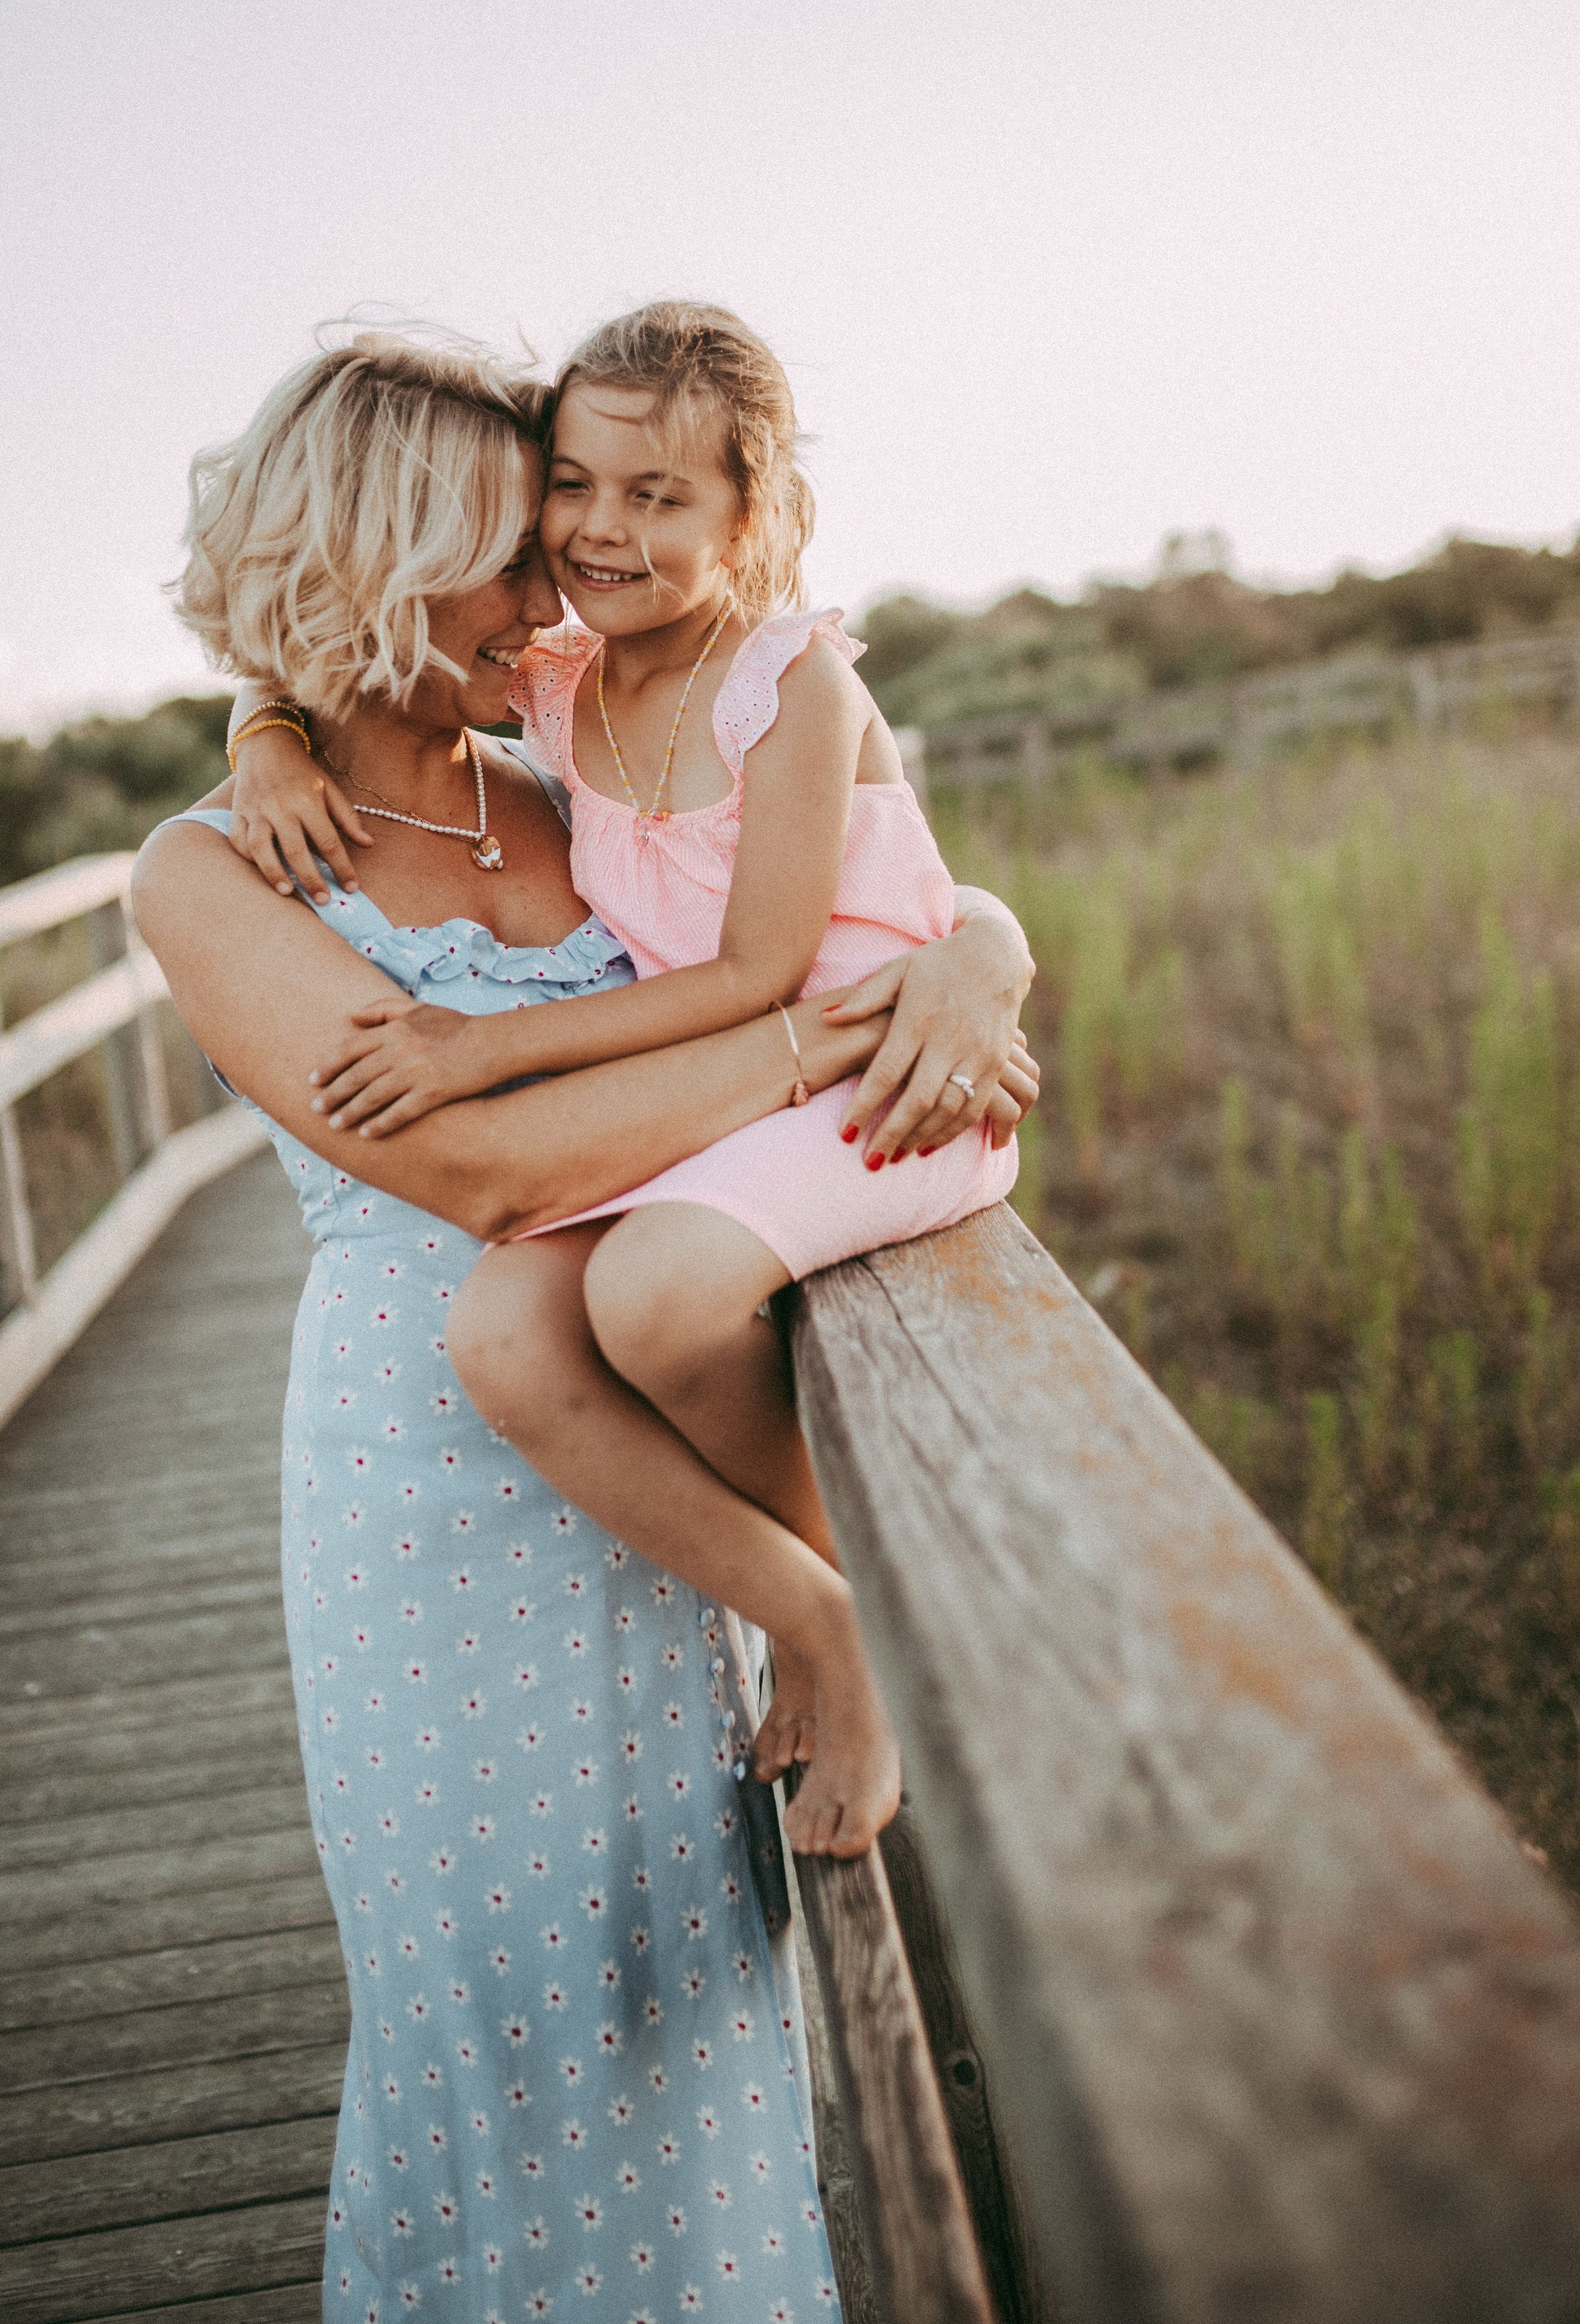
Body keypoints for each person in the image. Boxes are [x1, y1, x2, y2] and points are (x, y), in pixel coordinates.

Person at [133, 329, 1036, 2323]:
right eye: (512, 544)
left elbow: (867, 859)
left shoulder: (564, 780)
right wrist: (814, 1036)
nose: (559, 585)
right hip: (430, 1494)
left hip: (644, 1472)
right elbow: (488, 1185)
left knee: (695, 1992)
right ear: (369, 567)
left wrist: (978, 952)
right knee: (502, 2021)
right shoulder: (209, 870)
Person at [230, 303, 1017, 1864]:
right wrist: (260, 730)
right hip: (741, 1108)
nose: (596, 531)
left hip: (877, 1079)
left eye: (657, 496)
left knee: (653, 1294)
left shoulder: (791, 684)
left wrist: (480, 1041)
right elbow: (346, 637)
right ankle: (807, 1614)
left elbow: (757, 971)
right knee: (503, 1333)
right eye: (571, 489)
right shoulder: (559, 684)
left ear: (751, 512)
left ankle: (850, 1625)